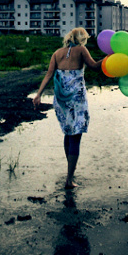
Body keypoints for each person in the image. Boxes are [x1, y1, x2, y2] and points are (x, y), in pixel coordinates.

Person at [33, 27, 103, 188]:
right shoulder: (81, 50)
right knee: (76, 136)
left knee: (68, 133)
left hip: (60, 100)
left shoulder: (57, 53)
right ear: (82, 38)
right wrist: (110, 59)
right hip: (76, 100)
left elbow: (49, 74)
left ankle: (70, 171)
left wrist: (38, 95)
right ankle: (69, 179)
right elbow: (94, 66)